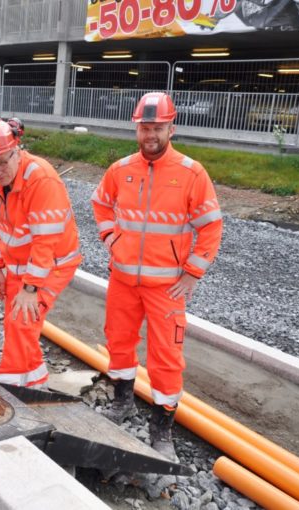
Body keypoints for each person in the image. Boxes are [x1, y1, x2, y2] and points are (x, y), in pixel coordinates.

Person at [91, 92, 223, 461]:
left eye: (157, 128)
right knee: (118, 343)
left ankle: (161, 429)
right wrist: (110, 237)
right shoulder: (121, 169)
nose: (150, 134)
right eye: (145, 127)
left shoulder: (191, 173)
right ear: (137, 128)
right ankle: (123, 404)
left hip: (167, 288)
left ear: (171, 128)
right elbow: (100, 203)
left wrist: (193, 272)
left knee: (166, 358)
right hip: (122, 281)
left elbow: (211, 227)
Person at [0, 118, 82, 389]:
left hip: (53, 264)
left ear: (16, 150)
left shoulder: (41, 180)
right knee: (15, 325)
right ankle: (34, 383)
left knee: (23, 319)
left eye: (2, 162)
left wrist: (30, 289)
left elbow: (45, 243)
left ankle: (9, 388)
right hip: (19, 265)